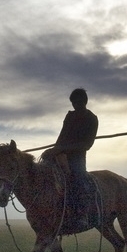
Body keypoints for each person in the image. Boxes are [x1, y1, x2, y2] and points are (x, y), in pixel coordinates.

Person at [41, 88, 99, 229]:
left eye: (78, 102)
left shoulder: (91, 119)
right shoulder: (70, 116)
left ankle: (82, 214)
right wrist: (53, 150)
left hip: (77, 157)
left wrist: (63, 149)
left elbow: (87, 145)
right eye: (73, 103)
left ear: (85, 102)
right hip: (61, 154)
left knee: (79, 179)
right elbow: (62, 136)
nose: (75, 105)